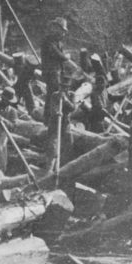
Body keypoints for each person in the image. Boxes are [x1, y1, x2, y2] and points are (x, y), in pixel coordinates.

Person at [40, 16, 75, 158]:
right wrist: (66, 58)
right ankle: (50, 117)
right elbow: (55, 53)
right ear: (55, 28)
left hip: (57, 70)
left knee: (55, 93)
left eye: (64, 31)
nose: (64, 33)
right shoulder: (48, 40)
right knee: (54, 94)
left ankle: (51, 116)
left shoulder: (58, 41)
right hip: (51, 71)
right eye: (62, 30)